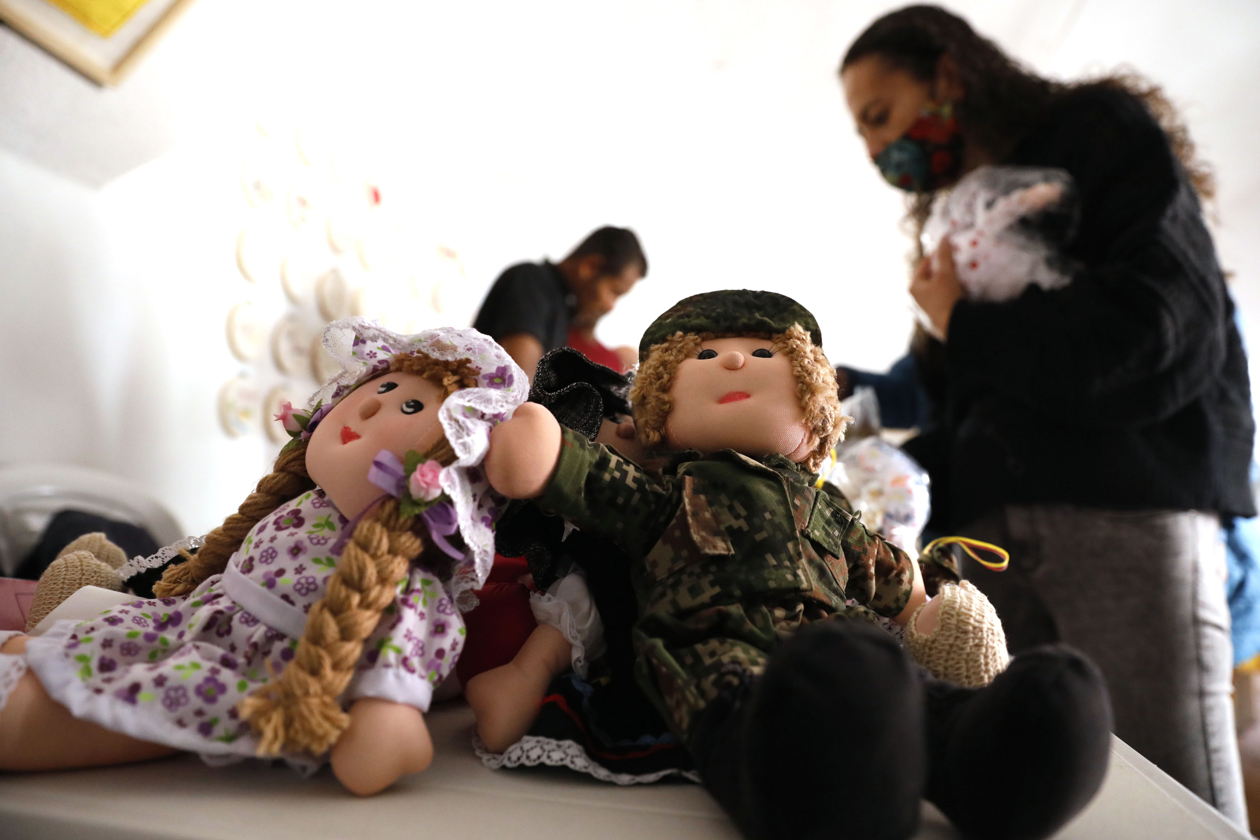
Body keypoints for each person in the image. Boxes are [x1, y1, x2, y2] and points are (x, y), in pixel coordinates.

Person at [484, 289, 1111, 840]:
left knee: (906, 696)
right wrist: (544, 449)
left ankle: (1001, 768)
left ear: (813, 423)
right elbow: (597, 484)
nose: (732, 361)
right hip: (715, 657)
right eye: (704, 357)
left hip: (837, 647)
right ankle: (830, 789)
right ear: (659, 419)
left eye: (763, 355)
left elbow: (883, 570)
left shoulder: (828, 506)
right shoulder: (670, 492)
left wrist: (925, 606)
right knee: (788, 719)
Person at [839, 4, 1255, 825]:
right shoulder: (961, 224)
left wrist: (963, 318)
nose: (880, 151)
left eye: (881, 116)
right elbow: (956, 388)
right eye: (863, 136)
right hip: (994, 550)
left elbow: (1162, 329)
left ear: (950, 73)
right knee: (1025, 800)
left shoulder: (1095, 133)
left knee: (1177, 806)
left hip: (1124, 516)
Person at [0, 319, 529, 796]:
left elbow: (406, 646)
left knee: (33, 718)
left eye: (410, 407)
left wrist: (389, 714)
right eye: (383, 387)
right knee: (47, 647)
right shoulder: (302, 505)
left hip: (242, 677)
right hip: (181, 625)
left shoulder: (403, 584)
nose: (370, 404)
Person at [473, 226, 647, 379]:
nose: (611, 306)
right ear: (590, 267)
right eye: (614, 292)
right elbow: (520, 384)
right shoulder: (531, 281)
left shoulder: (562, 308)